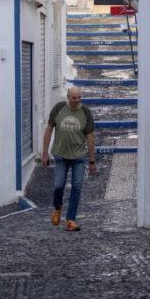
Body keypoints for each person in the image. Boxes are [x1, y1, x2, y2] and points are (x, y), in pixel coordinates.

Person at [41, 85, 97, 231]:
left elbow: (90, 137)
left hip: (78, 155)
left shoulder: (85, 112)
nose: (77, 100)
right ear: (68, 97)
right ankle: (57, 208)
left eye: (79, 98)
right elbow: (48, 129)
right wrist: (45, 153)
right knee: (59, 185)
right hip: (60, 154)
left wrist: (92, 160)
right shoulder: (59, 109)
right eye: (74, 98)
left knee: (77, 187)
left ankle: (70, 220)